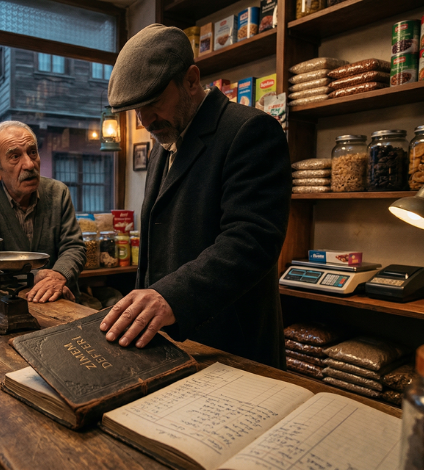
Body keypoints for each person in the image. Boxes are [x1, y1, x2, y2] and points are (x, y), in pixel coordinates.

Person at [99, 25, 291, 368]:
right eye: (137, 110)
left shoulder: (250, 131)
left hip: (230, 345)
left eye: (154, 103)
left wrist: (170, 297)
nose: (145, 121)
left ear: (190, 80)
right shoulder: (165, 141)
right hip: (169, 343)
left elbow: (252, 240)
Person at [0, 121, 86, 304]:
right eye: (15, 156)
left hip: (60, 298)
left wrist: (59, 275)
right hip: (7, 302)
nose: (29, 164)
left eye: (32, 152)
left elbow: (74, 247)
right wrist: (34, 276)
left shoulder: (58, 192)